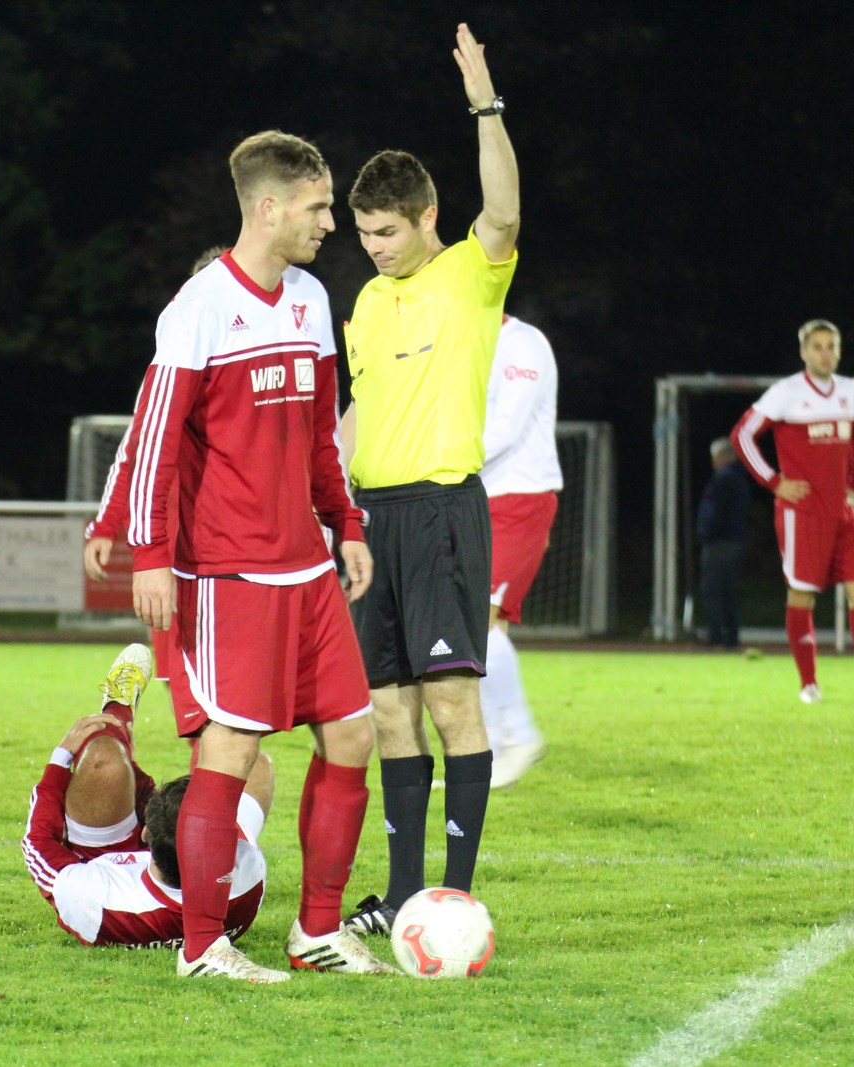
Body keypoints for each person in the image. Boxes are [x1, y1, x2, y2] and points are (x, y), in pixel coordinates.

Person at [117, 130, 391, 981]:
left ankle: (315, 931)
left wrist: (344, 521)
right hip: (228, 576)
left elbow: (319, 436)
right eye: (317, 207)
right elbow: (155, 441)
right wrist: (151, 556)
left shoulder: (310, 299)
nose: (328, 224)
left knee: (352, 733)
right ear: (268, 208)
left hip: (307, 570)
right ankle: (203, 947)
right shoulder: (196, 309)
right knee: (228, 754)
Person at [338, 23, 520, 935]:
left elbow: (505, 211)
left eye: (385, 231)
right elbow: (360, 407)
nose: (371, 246)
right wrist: (324, 494)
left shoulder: (466, 277)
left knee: (451, 700)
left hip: (444, 512)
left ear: (424, 218)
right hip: (371, 521)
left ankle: (457, 892)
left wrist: (483, 100)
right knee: (387, 707)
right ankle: (404, 893)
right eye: (363, 232)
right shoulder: (367, 302)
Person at [23, 644, 271, 948]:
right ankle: (205, 737)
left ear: (145, 831)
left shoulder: (91, 897)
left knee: (103, 758)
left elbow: (37, 844)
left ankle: (117, 712)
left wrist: (59, 760)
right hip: (183, 867)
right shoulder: (245, 876)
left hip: (103, 859)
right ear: (220, 841)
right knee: (255, 764)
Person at [730, 319, 854, 704]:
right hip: (802, 514)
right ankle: (809, 684)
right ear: (803, 352)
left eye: (831, 346)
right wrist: (774, 481)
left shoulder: (850, 392)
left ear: (838, 350)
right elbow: (742, 435)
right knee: (802, 594)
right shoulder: (786, 392)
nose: (824, 353)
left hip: (841, 512)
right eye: (816, 346)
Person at [83, 248, 229, 692]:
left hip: (240, 552)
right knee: (186, 685)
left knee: (237, 690)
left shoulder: (264, 366)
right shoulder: (173, 368)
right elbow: (136, 451)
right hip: (175, 555)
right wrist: (106, 526)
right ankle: (210, 762)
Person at [477, 314, 559, 788]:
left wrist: (428, 465)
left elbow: (504, 430)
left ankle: (522, 735)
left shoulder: (523, 342)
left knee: (477, 622)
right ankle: (491, 747)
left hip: (518, 498)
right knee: (474, 628)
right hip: (475, 496)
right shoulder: (453, 336)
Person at [696, 437, 751, 649]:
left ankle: (716, 634)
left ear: (723, 456)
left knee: (713, 589)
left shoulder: (723, 479)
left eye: (716, 457)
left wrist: (706, 532)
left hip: (720, 542)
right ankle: (731, 636)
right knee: (729, 590)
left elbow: (714, 512)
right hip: (735, 540)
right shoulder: (739, 478)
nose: (713, 462)